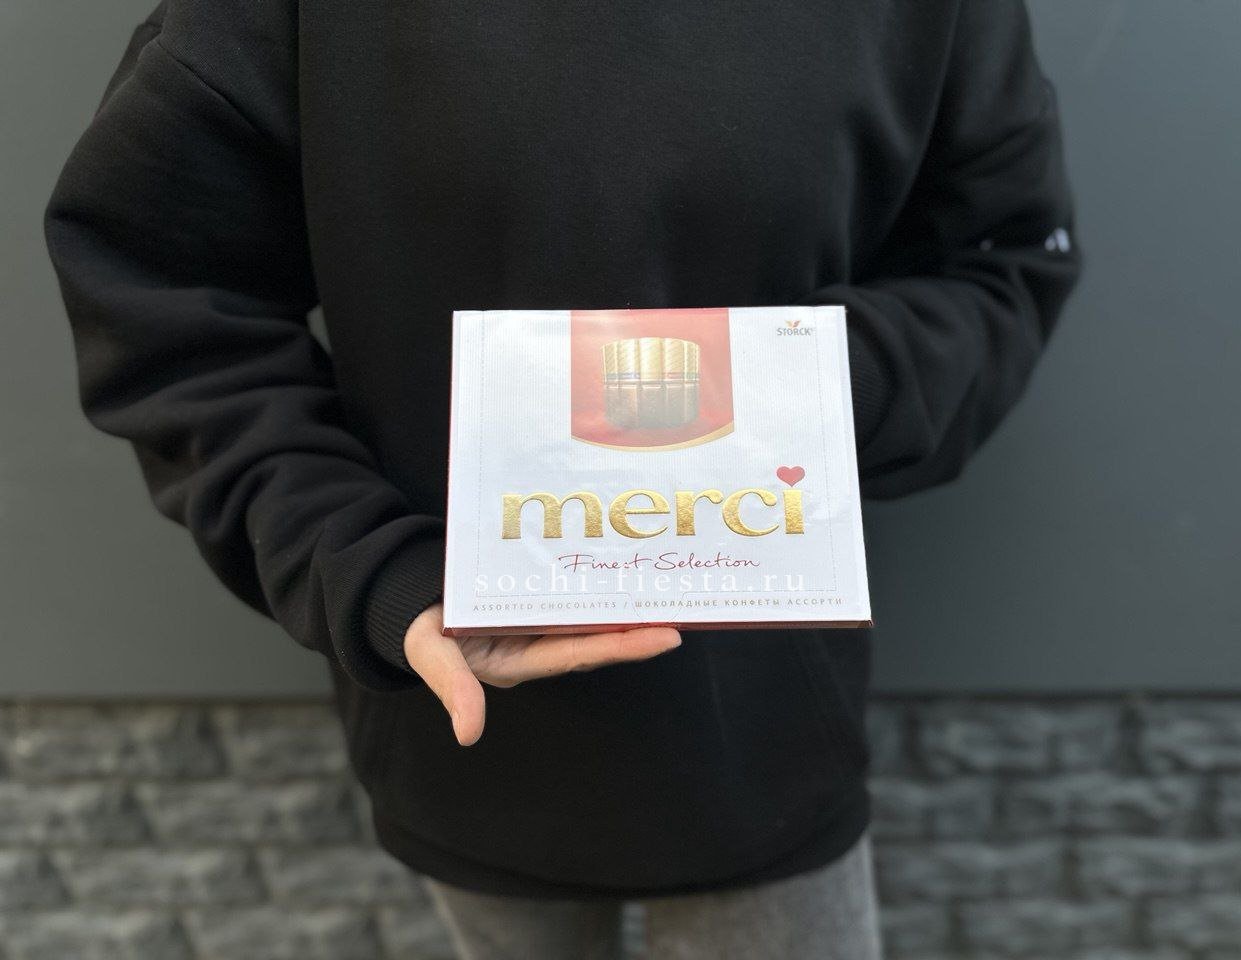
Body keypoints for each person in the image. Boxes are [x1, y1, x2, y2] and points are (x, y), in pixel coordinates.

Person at [44, 0, 1081, 956]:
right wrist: (364, 566)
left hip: (767, 729)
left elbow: (1001, 258)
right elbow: (164, 296)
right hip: (457, 711)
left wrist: (794, 388)